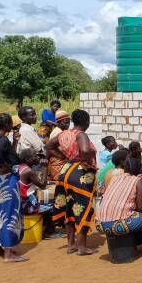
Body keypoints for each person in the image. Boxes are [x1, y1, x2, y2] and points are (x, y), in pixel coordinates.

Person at [95, 158, 142, 261]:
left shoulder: (115, 179)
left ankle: (141, 241)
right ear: (139, 169)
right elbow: (140, 207)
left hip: (100, 224)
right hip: (117, 225)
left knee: (135, 216)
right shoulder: (138, 181)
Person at [45, 109, 97, 256]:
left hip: (65, 172)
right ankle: (82, 247)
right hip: (80, 174)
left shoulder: (63, 134)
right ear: (86, 121)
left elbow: (48, 146)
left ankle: (71, 245)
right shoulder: (81, 134)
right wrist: (88, 159)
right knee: (84, 208)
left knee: (69, 209)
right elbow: (85, 150)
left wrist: (65, 157)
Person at [0, 113, 26, 262]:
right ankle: (8, 254)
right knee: (9, 214)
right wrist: (5, 167)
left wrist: (15, 142)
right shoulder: (3, 140)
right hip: (7, 180)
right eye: (11, 123)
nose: (12, 125)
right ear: (6, 125)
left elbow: (8, 156)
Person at [18, 148, 47, 214]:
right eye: (35, 156)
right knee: (53, 203)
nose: (37, 157)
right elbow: (43, 186)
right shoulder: (29, 171)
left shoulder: (20, 167)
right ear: (27, 160)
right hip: (27, 204)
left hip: (20, 202)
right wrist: (45, 167)